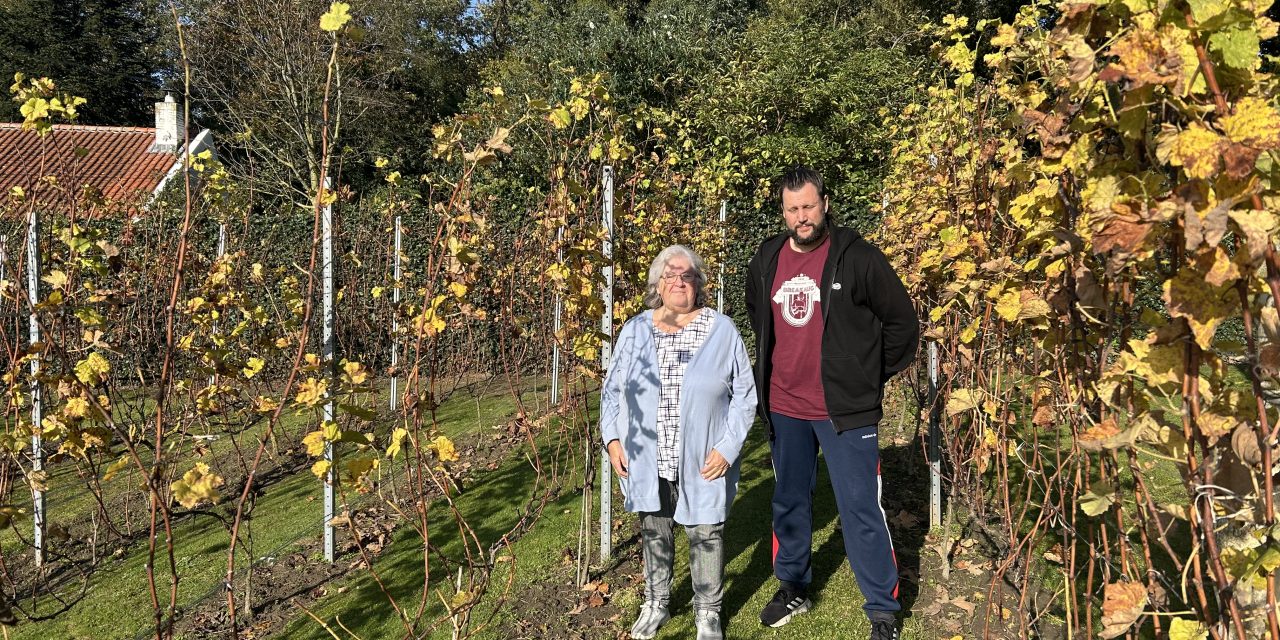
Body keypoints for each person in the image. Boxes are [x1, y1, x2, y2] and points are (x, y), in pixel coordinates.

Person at [745, 166, 918, 640]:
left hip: (844, 410)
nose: (802, 216)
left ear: (824, 204)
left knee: (861, 508)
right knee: (789, 502)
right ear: (783, 212)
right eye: (792, 208)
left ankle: (883, 610)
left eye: (809, 206)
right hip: (784, 407)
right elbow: (760, 314)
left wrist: (866, 375)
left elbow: (902, 323)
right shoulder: (766, 259)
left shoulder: (857, 258)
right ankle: (793, 585)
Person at [599, 244, 757, 640]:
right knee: (654, 528)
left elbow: (745, 395)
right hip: (646, 455)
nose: (678, 282)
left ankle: (707, 612)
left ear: (698, 283)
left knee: (706, 532)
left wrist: (728, 446)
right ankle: (656, 603)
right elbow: (612, 391)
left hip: (703, 456)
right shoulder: (635, 330)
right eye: (669, 275)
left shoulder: (722, 331)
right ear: (657, 284)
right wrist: (613, 438)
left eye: (686, 275)